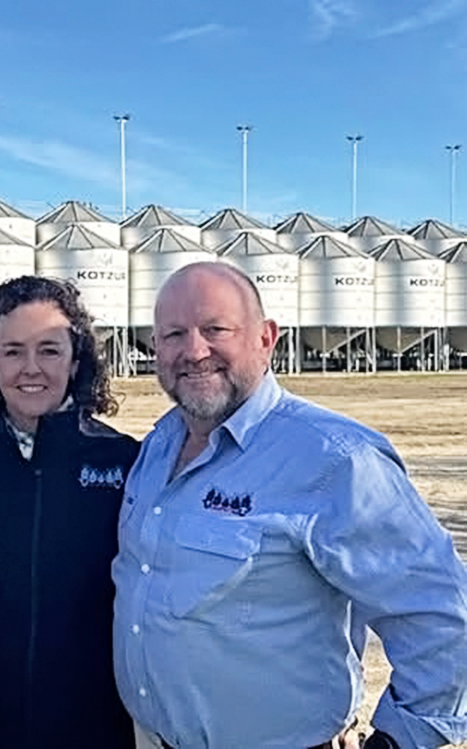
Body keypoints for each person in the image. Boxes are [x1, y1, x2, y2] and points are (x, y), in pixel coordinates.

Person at [113, 261, 467, 749]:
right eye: (174, 334)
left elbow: (440, 612)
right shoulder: (157, 447)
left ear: (266, 339)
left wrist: (400, 738)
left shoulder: (332, 459)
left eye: (215, 329)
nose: (194, 351)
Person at [0, 275, 140, 749]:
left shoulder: (124, 463)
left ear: (76, 359)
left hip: (97, 730)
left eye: (49, 350)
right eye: (13, 351)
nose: (31, 368)